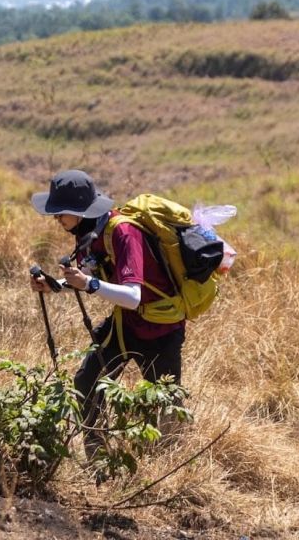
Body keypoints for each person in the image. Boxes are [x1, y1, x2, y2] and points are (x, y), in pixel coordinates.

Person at [29, 170, 186, 454]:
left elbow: (133, 296)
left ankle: (176, 463)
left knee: (167, 405)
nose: (56, 219)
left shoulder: (123, 232)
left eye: (60, 213)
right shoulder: (91, 234)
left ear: (78, 211)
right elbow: (89, 274)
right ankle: (98, 458)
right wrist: (54, 286)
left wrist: (88, 283)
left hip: (161, 328)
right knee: (86, 382)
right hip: (126, 324)